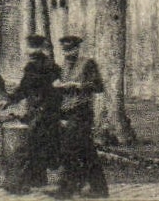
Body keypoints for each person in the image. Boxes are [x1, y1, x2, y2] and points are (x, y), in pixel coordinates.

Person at [3, 35, 62, 190]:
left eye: (35, 47)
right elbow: (23, 88)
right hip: (34, 111)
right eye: (30, 47)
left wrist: (44, 107)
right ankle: (37, 180)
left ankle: (23, 182)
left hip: (47, 112)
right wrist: (10, 100)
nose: (31, 51)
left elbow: (57, 92)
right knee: (36, 146)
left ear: (41, 49)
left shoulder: (51, 67)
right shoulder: (29, 67)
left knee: (33, 145)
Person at [54, 34, 108, 199]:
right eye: (64, 50)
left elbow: (98, 86)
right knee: (86, 151)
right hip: (67, 111)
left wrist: (78, 85)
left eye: (70, 49)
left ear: (77, 48)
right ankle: (99, 188)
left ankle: (66, 189)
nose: (67, 53)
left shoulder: (87, 63)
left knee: (69, 149)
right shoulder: (63, 66)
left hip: (82, 112)